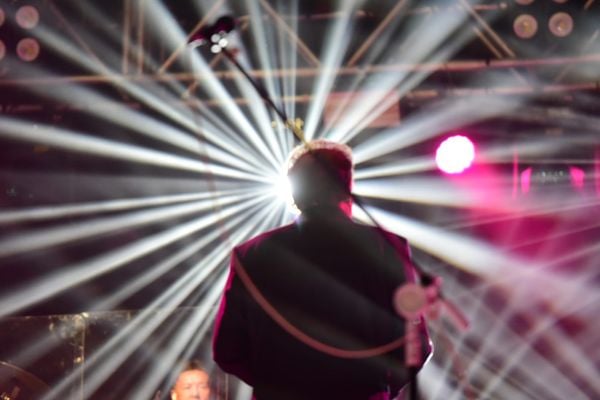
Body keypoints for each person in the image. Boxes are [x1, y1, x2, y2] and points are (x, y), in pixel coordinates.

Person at [213, 139, 431, 400]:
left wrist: (273, 385)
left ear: (294, 191)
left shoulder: (252, 254)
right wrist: (378, 389)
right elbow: (414, 345)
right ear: (347, 186)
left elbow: (227, 351)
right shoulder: (388, 246)